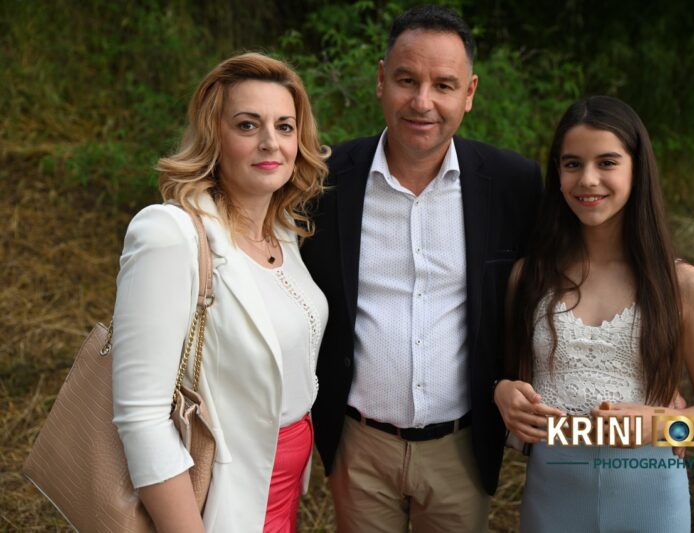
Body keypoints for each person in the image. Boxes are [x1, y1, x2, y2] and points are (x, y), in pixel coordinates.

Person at [300, 5, 541, 532]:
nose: (422, 102)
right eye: (407, 80)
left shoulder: (513, 184)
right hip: (358, 445)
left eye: (443, 85)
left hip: (461, 446)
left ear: (469, 93)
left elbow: (571, 270)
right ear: (381, 80)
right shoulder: (321, 180)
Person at [494, 95, 694, 532]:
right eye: (572, 164)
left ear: (637, 169)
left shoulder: (683, 286)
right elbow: (504, 377)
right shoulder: (528, 277)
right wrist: (504, 393)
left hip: (651, 501)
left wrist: (663, 424)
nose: (588, 179)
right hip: (551, 500)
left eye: (607, 162)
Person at [111, 52, 329, 532]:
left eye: (285, 127)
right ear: (214, 135)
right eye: (248, 125)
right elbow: (141, 418)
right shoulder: (171, 234)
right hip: (217, 502)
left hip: (279, 492)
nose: (270, 142)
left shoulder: (283, 231)